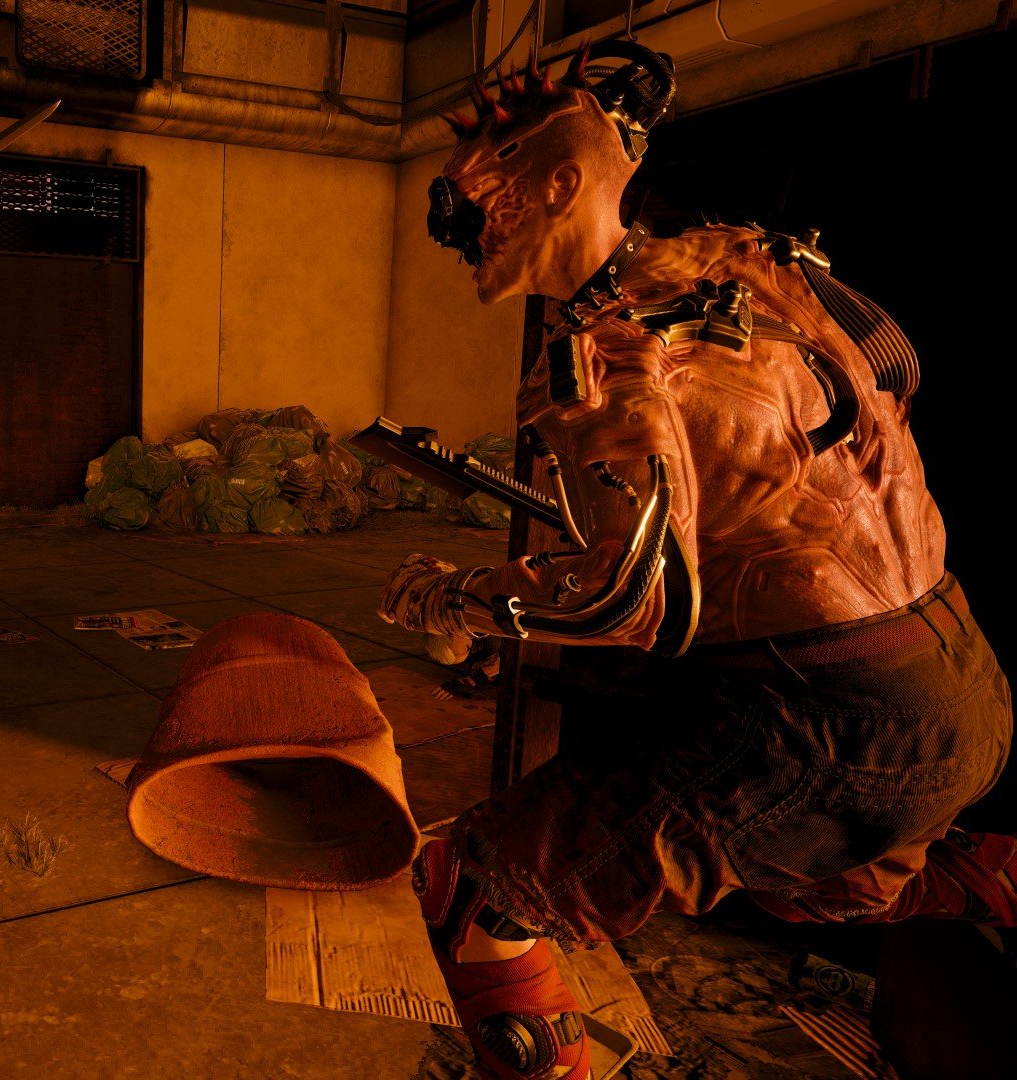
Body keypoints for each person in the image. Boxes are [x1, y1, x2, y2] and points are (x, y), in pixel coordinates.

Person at [380, 43, 1014, 1079]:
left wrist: (457, 598)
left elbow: (630, 601)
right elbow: (894, 368)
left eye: (465, 202)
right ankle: (974, 874)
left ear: (560, 185)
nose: (452, 231)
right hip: (963, 686)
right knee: (812, 881)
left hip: (829, 721)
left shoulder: (610, 346)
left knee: (478, 890)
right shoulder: (757, 265)